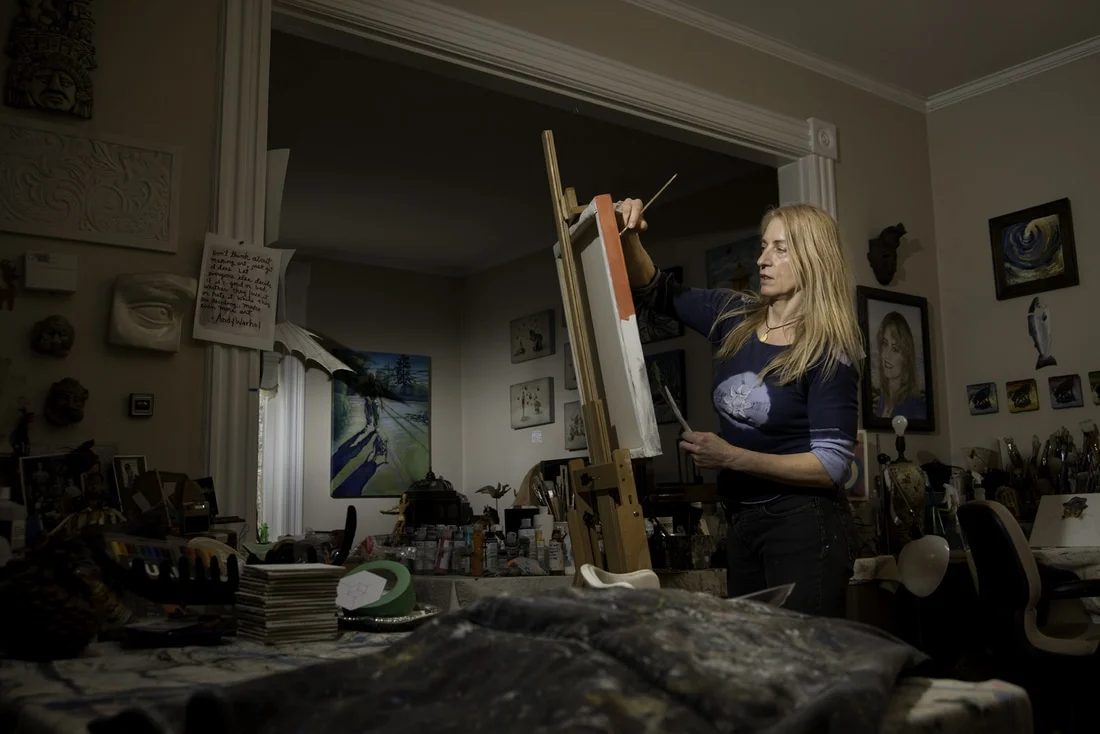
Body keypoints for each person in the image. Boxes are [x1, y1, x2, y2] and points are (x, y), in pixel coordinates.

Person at [619, 198, 862, 617]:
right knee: (752, 649)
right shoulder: (734, 316)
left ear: (814, 259)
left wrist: (731, 457)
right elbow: (656, 289)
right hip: (740, 520)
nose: (763, 260)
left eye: (780, 249)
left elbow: (832, 465)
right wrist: (628, 237)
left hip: (804, 525)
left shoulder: (826, 352)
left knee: (799, 652)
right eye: (763, 247)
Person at [875, 311, 926, 420]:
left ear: (906, 358)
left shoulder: (915, 407)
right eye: (885, 344)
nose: (887, 355)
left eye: (895, 349)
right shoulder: (883, 400)